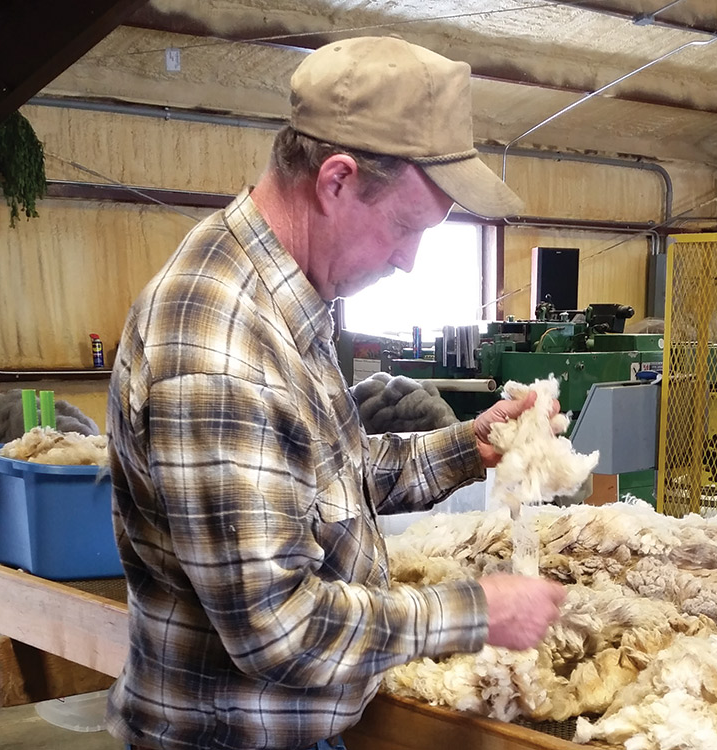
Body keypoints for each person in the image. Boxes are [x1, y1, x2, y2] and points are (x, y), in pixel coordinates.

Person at [105, 36, 566, 750]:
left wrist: (471, 446)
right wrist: (475, 611)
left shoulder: (290, 295)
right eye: (407, 227)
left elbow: (322, 475)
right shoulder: (221, 348)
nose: (410, 260)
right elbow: (282, 631)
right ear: (337, 181)